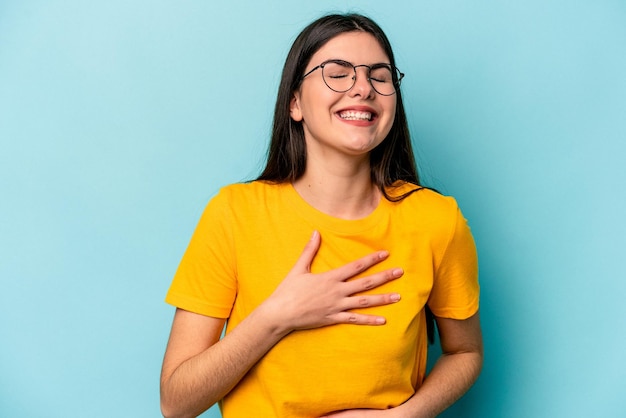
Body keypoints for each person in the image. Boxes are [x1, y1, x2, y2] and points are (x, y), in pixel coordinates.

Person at [160, 13, 482, 418]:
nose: (363, 87)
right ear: (294, 102)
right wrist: (278, 316)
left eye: (379, 76)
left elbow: (465, 351)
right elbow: (176, 403)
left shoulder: (437, 219)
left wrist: (404, 417)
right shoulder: (234, 214)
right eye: (338, 73)